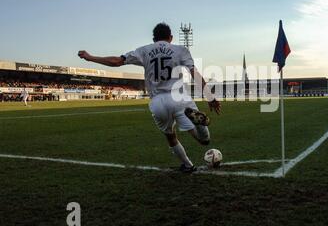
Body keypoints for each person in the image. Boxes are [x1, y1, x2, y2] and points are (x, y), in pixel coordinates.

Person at [78, 23, 221, 173]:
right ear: (171, 37)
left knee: (170, 136)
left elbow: (116, 62)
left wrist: (90, 57)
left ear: (154, 39)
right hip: (179, 98)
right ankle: (198, 123)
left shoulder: (144, 50)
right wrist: (210, 97)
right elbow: (194, 73)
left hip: (158, 102)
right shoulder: (181, 50)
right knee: (203, 141)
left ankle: (187, 165)